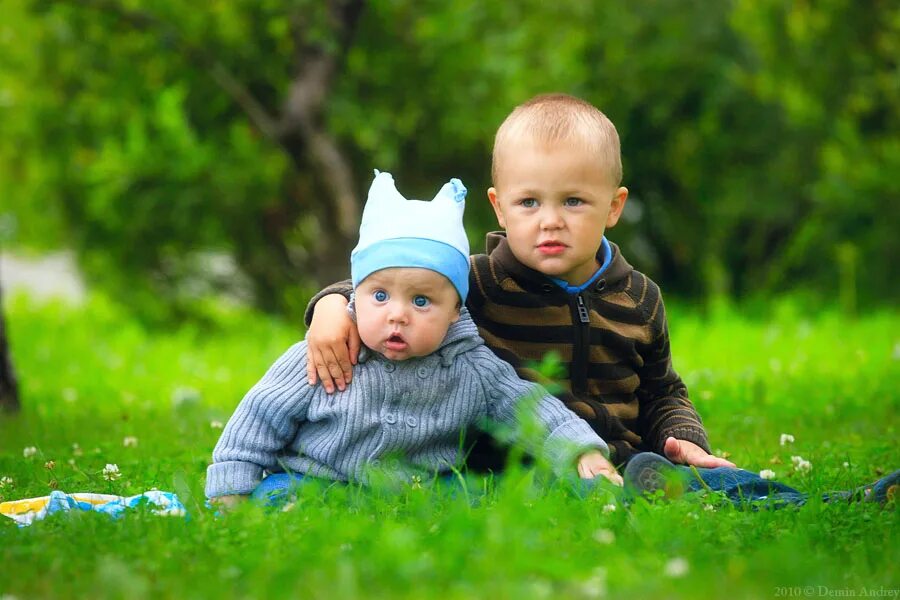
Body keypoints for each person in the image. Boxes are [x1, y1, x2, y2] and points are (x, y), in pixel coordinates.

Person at [302, 94, 898, 508]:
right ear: (499, 206)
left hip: (622, 460)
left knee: (715, 484)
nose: (550, 222)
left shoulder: (639, 298)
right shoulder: (474, 286)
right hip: (508, 467)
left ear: (613, 206)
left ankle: (833, 501)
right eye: (529, 203)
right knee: (500, 491)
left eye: (575, 202)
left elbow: (662, 387)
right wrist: (333, 306)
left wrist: (683, 436)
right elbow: (394, 289)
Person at [205, 170, 621, 509]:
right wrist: (231, 483)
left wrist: (582, 450)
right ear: (357, 292)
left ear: (455, 310)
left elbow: (533, 410)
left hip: (419, 490)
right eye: (380, 296)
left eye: (421, 300)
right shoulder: (326, 354)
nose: (397, 314)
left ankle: (591, 489)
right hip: (317, 479)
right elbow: (259, 416)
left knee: (479, 496)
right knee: (279, 496)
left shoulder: (472, 366)